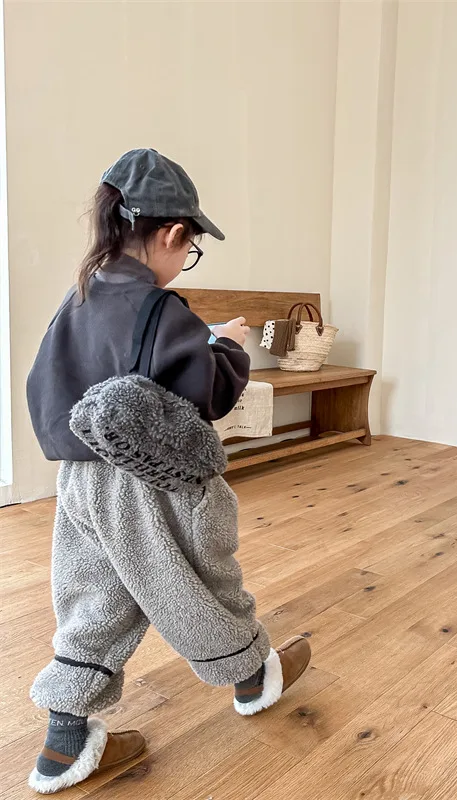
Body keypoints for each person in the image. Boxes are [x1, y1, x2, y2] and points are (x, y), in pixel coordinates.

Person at [25, 149, 311, 794]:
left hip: (80, 481)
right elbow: (211, 393)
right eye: (191, 248)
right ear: (173, 233)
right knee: (193, 581)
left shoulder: (77, 299)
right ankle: (251, 676)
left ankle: (64, 741)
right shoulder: (159, 308)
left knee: (93, 598)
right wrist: (227, 343)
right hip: (150, 480)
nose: (186, 258)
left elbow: (46, 391)